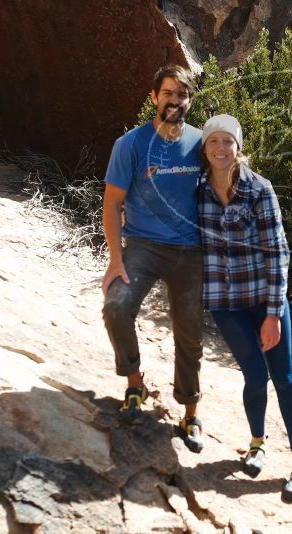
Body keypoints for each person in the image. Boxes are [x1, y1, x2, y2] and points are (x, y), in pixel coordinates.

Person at [198, 114, 292, 502]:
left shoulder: (260, 189)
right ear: (205, 148)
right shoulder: (198, 192)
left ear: (238, 147)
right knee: (253, 376)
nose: (221, 149)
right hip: (226, 303)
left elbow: (279, 252)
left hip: (264, 299)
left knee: (283, 376)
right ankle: (257, 445)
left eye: (228, 142)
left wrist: (274, 313)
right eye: (214, 142)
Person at [101, 64, 205, 453]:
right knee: (116, 307)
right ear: (154, 97)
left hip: (190, 250)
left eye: (182, 94)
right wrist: (116, 260)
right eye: (168, 93)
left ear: (189, 101)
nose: (175, 101)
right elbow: (112, 204)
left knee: (190, 333)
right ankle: (134, 384)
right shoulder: (130, 144)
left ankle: (190, 412)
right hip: (143, 245)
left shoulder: (201, 144)